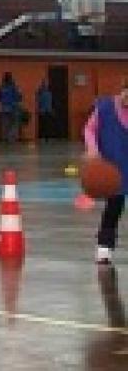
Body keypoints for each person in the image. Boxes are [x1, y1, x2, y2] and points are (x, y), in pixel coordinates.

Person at [83, 83, 128, 265]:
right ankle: (104, 248)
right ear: (123, 90)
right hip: (113, 167)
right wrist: (93, 149)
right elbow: (89, 129)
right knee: (114, 208)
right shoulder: (105, 108)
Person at [0, 72, 23, 143]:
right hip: (13, 107)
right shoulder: (14, 86)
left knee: (5, 123)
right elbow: (19, 97)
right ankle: (10, 138)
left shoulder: (1, 87)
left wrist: (0, 107)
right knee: (14, 123)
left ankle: (5, 138)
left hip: (4, 107)